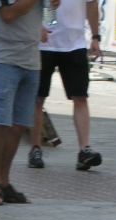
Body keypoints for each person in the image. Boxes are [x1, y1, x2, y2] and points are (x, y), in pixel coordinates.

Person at [0, 0, 59, 206]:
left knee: (19, 124)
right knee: (0, 121)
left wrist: (53, 4)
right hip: (3, 58)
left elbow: (50, 12)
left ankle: (5, 182)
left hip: (31, 59)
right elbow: (8, 14)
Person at [26, 0, 102, 170]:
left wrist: (96, 37)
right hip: (44, 44)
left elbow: (92, 4)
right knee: (38, 98)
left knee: (81, 97)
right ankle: (35, 148)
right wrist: (35, 26)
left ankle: (84, 150)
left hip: (75, 44)